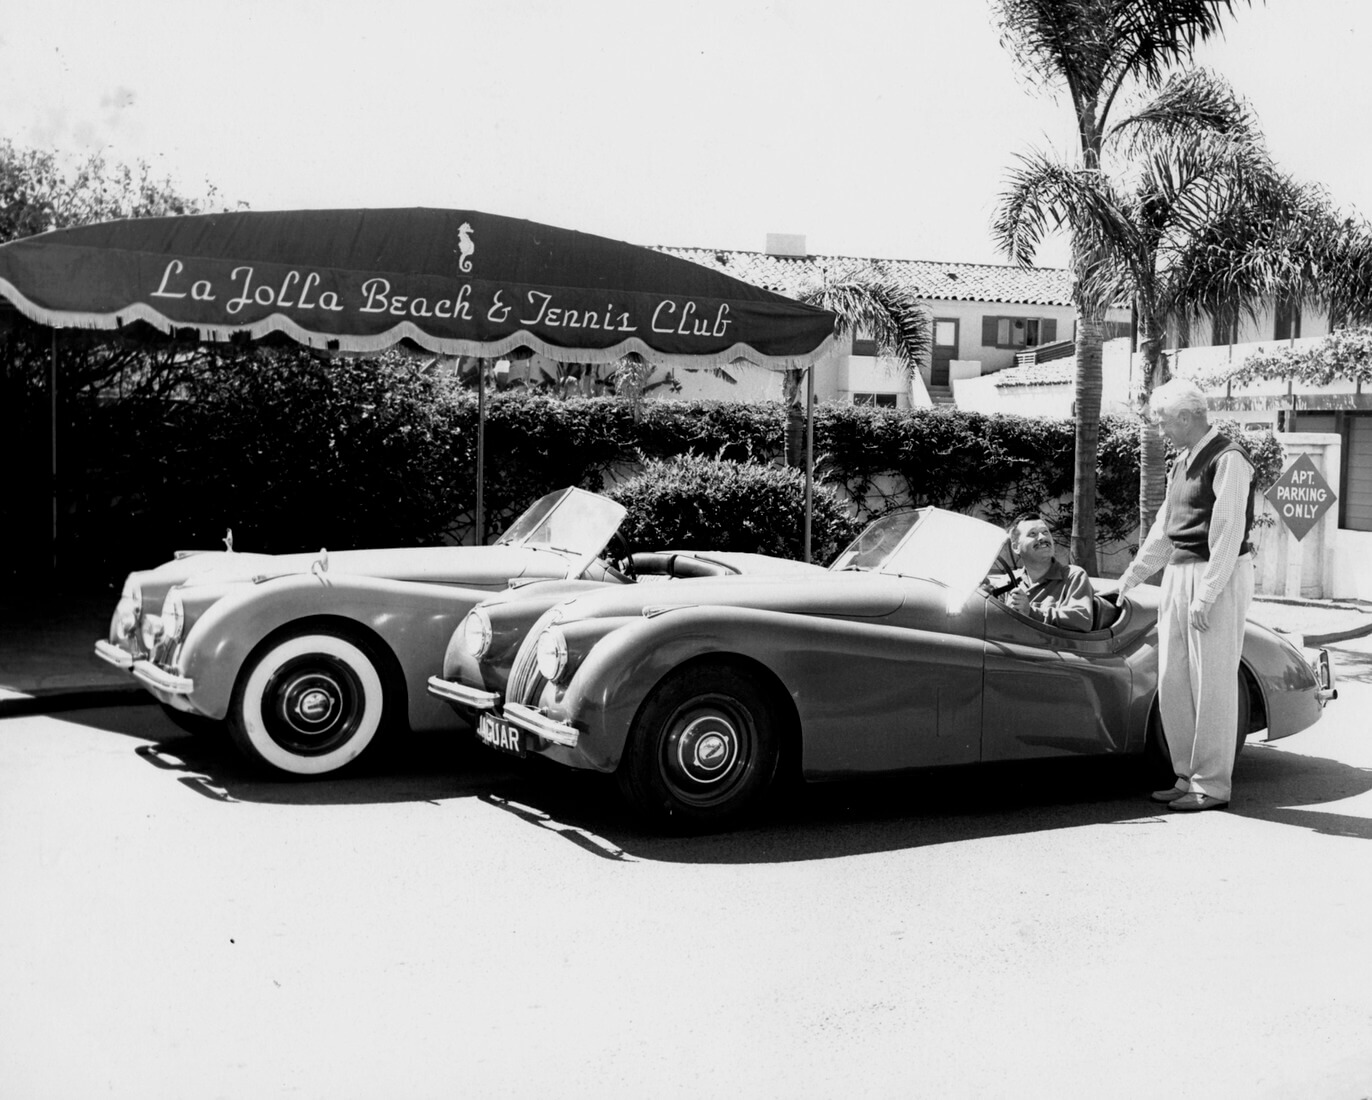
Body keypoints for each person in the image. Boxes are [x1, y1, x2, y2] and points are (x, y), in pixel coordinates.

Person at [1116, 378, 1255, 813]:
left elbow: (1229, 529)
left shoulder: (1229, 459)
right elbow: (1164, 529)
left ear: (1187, 416)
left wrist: (1209, 593)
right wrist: (1132, 577)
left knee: (1211, 681)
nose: (1160, 431)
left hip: (1216, 573)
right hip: (1178, 572)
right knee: (1175, 680)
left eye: (1162, 422)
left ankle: (1212, 784)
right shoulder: (1183, 462)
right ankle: (1185, 775)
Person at [1001, 514, 1095, 632]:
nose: (1042, 537)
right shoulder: (1007, 582)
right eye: (1033, 534)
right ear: (1016, 547)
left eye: (1045, 532)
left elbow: (1083, 619)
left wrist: (1032, 612)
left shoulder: (1073, 576)